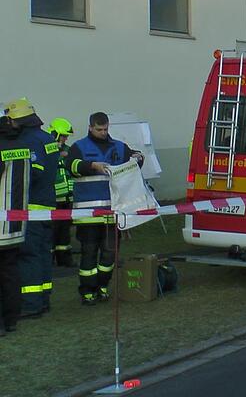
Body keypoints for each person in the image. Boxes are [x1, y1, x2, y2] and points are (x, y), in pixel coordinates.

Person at [65, 112, 143, 305]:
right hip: (88, 214)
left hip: (112, 212)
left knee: (109, 253)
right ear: (90, 127)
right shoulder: (79, 147)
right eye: (99, 129)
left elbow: (135, 160)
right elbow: (71, 166)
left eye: (105, 129)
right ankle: (87, 291)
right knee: (89, 253)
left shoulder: (118, 146)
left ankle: (102, 286)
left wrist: (139, 158)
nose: (102, 132)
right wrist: (92, 165)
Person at [4, 98, 59, 318]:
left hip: (31, 206)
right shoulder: (47, 138)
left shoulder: (28, 141)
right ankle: (44, 299)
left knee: (29, 255)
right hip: (48, 206)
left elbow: (32, 172)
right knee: (44, 253)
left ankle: (31, 303)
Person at [0, 116, 30, 336]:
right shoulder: (22, 147)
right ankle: (11, 320)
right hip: (16, 223)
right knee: (10, 272)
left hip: (0, 223)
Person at [48, 118, 76, 267]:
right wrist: (58, 155)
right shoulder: (47, 149)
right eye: (63, 136)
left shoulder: (68, 149)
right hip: (53, 199)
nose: (65, 139)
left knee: (65, 230)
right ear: (55, 134)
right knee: (52, 231)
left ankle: (65, 259)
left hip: (67, 197)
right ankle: (49, 260)